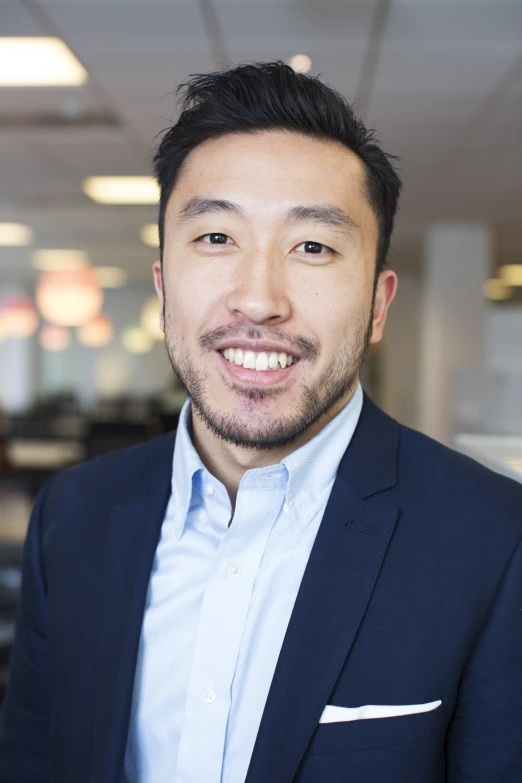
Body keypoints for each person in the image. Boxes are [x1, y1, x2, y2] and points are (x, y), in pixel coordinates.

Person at [1, 61, 521, 783]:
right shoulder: (73, 516)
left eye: (313, 246)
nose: (257, 299)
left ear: (377, 304)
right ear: (162, 285)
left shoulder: (495, 540)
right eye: (216, 238)